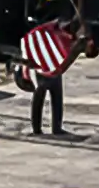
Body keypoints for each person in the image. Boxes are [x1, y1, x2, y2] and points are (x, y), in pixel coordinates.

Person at [22, 9, 93, 137]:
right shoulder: (53, 30)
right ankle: (37, 129)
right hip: (42, 65)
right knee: (40, 96)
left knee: (56, 97)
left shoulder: (70, 35)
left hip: (54, 66)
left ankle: (56, 128)